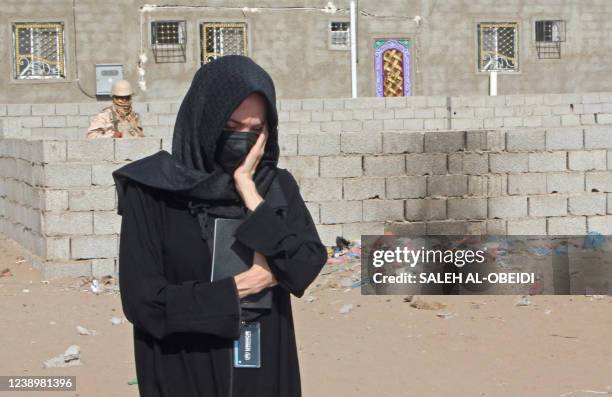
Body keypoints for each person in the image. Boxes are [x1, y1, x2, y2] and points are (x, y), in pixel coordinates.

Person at [112, 55, 328, 397]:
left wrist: (249, 191)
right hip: (183, 366)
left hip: (263, 366)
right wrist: (238, 288)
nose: (242, 140)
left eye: (255, 130)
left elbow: (304, 265)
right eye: (230, 127)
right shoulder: (152, 190)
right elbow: (143, 302)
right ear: (204, 119)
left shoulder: (275, 187)